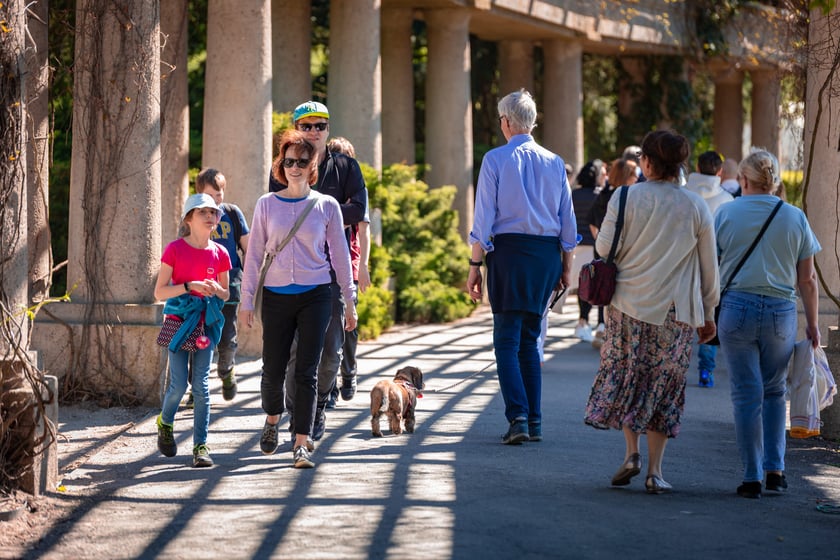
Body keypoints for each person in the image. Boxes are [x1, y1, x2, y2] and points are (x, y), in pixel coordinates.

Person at [584, 129, 719, 494]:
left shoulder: (625, 198)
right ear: (680, 166)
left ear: (645, 161)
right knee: (664, 386)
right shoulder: (695, 206)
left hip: (627, 305)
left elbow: (603, 247)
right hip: (674, 311)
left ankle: (631, 453)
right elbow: (710, 268)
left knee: (630, 378)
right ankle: (656, 472)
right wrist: (709, 314)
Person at [240, 129, 357, 469]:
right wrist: (247, 300)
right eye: (288, 161)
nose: (294, 167)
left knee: (307, 371)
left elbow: (339, 257)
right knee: (272, 370)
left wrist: (349, 302)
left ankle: (301, 443)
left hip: (317, 295)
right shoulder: (266, 205)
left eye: (301, 162)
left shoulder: (326, 206)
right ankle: (273, 418)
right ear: (281, 164)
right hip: (276, 295)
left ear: (312, 165)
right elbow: (254, 256)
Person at [467, 89, 578, 445]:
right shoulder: (555, 162)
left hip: (510, 253)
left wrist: (474, 264)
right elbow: (568, 222)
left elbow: (483, 217)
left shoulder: (496, 159)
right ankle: (534, 419)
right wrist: (566, 266)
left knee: (506, 341)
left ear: (508, 122)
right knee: (530, 340)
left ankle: (517, 416)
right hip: (546, 255)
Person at [715, 148, 821, 499]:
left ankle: (751, 478)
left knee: (746, 394)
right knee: (776, 391)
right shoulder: (795, 217)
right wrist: (813, 324)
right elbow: (807, 280)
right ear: (773, 181)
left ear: (744, 180)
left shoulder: (725, 213)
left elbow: (710, 268)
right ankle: (776, 470)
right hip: (780, 310)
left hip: (737, 307)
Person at [270, 102, 367, 441]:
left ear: (328, 129)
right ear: (296, 128)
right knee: (296, 352)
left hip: (332, 273)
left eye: (319, 126)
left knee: (331, 352)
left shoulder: (346, 166)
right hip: (293, 274)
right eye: (306, 125)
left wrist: (321, 210)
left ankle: (321, 404)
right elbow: (277, 212)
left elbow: (359, 208)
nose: (313, 131)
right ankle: (299, 413)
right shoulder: (284, 166)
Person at [154, 193, 231, 468]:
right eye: (203, 212)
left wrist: (214, 289)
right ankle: (165, 423)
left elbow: (225, 293)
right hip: (178, 321)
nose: (210, 217)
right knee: (178, 386)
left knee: (201, 386)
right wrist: (190, 286)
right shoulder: (174, 249)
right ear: (189, 218)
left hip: (206, 324)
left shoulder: (220, 253)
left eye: (213, 212)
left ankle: (200, 447)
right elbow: (159, 291)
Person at [195, 168, 250, 400]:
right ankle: (197, 387)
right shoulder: (192, 216)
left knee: (227, 337)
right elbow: (184, 248)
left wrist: (250, 279)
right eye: (211, 195)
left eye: (220, 194)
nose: (217, 200)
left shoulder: (232, 213)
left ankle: (226, 370)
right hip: (201, 286)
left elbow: (248, 248)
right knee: (197, 337)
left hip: (229, 285)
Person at [326, 136, 371, 408]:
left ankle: (349, 371)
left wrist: (363, 266)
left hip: (350, 265)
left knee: (348, 327)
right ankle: (328, 388)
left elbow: (364, 233)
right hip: (325, 267)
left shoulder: (356, 194)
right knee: (327, 330)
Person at [683, 151, 734, 388]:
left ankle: (677, 364)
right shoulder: (727, 199)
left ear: (696, 166)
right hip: (715, 263)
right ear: (720, 172)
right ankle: (706, 370)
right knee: (708, 312)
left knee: (680, 313)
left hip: (682, 262)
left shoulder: (682, 194)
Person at [587, 158, 638, 350]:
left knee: (604, 289)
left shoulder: (603, 194)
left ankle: (604, 327)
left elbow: (591, 220)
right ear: (628, 176)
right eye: (635, 175)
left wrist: (600, 240)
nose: (637, 179)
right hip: (621, 253)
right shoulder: (628, 196)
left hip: (603, 250)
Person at [572, 160, 606, 344]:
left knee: (582, 286)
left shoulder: (573, 194)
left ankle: (582, 320)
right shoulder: (600, 195)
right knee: (599, 286)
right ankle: (600, 324)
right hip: (594, 245)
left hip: (576, 246)